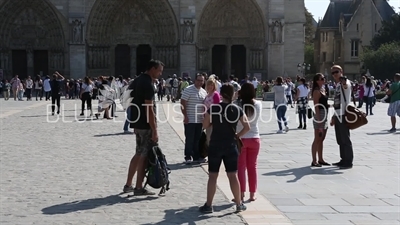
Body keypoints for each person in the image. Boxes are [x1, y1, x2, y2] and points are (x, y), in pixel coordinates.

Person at [200, 83, 250, 213]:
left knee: (212, 176)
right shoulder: (237, 109)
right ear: (233, 94)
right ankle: (239, 204)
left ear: (221, 94)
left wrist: (212, 122)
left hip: (215, 144)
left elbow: (205, 125)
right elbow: (247, 127)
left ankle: (209, 205)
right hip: (230, 145)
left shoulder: (213, 108)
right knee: (233, 175)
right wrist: (237, 135)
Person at [123, 59, 164, 195]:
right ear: (152, 69)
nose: (160, 74)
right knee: (144, 156)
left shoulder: (137, 80)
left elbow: (130, 102)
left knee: (139, 152)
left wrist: (134, 122)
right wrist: (155, 129)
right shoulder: (148, 84)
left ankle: (128, 184)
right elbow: (149, 109)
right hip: (146, 125)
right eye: (159, 71)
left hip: (138, 123)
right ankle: (139, 187)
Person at [236, 83, 261, 202]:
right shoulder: (258, 104)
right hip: (255, 137)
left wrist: (236, 96)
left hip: (241, 138)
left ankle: (241, 193)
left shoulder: (237, 105)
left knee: (241, 167)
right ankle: (252, 194)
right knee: (253, 167)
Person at [180, 74, 207, 164]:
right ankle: (188, 156)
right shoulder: (188, 89)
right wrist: (185, 116)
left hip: (199, 120)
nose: (200, 82)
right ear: (195, 80)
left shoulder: (204, 92)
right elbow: (183, 103)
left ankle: (196, 156)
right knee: (189, 139)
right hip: (190, 119)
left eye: (202, 81)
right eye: (198, 80)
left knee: (197, 139)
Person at [330, 65, 353, 169]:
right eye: (333, 73)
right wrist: (334, 116)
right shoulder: (337, 85)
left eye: (337, 72)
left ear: (341, 71)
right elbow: (337, 102)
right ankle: (343, 159)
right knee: (340, 139)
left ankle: (348, 161)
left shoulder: (345, 82)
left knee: (345, 138)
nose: (335, 74)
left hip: (344, 114)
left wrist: (343, 81)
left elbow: (346, 86)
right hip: (338, 114)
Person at [310, 73, 330, 167]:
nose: (323, 80)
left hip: (325, 114)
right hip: (320, 116)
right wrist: (319, 120)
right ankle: (314, 160)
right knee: (317, 138)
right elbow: (316, 106)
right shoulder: (316, 91)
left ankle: (321, 159)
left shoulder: (323, 89)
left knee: (322, 138)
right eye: (322, 78)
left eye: (324, 78)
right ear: (317, 81)